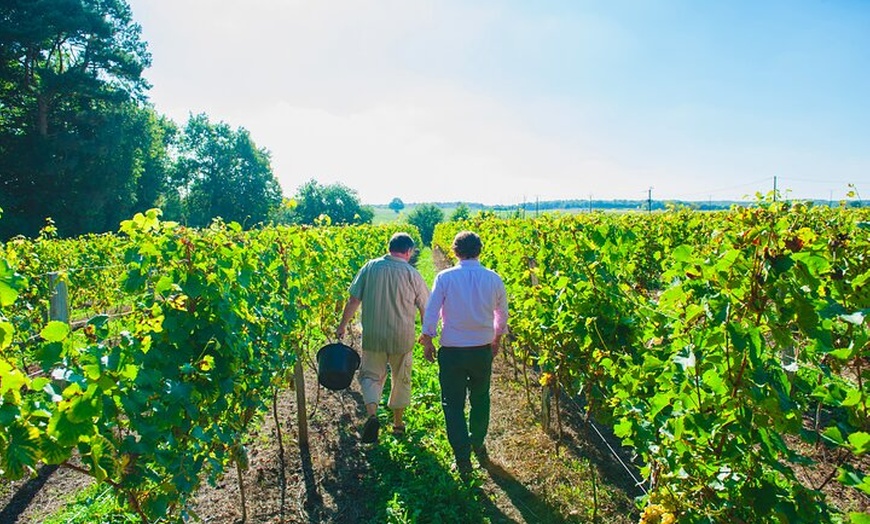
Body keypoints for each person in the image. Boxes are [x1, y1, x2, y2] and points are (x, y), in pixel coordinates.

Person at [420, 230, 508, 479]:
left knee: (453, 403)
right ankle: (477, 442)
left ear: (455, 251)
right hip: (481, 349)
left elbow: (432, 310)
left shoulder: (445, 278)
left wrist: (428, 339)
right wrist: (496, 338)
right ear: (480, 250)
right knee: (481, 398)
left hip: (452, 352)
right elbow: (501, 314)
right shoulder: (493, 278)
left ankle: (462, 458)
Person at [336, 232, 430, 443]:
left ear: (390, 248)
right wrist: (426, 334)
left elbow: (353, 300)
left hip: (373, 335)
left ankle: (371, 415)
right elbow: (426, 306)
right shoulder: (411, 273)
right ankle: (397, 425)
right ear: (408, 252)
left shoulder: (370, 267)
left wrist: (342, 325)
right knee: (401, 378)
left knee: (370, 376)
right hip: (401, 337)